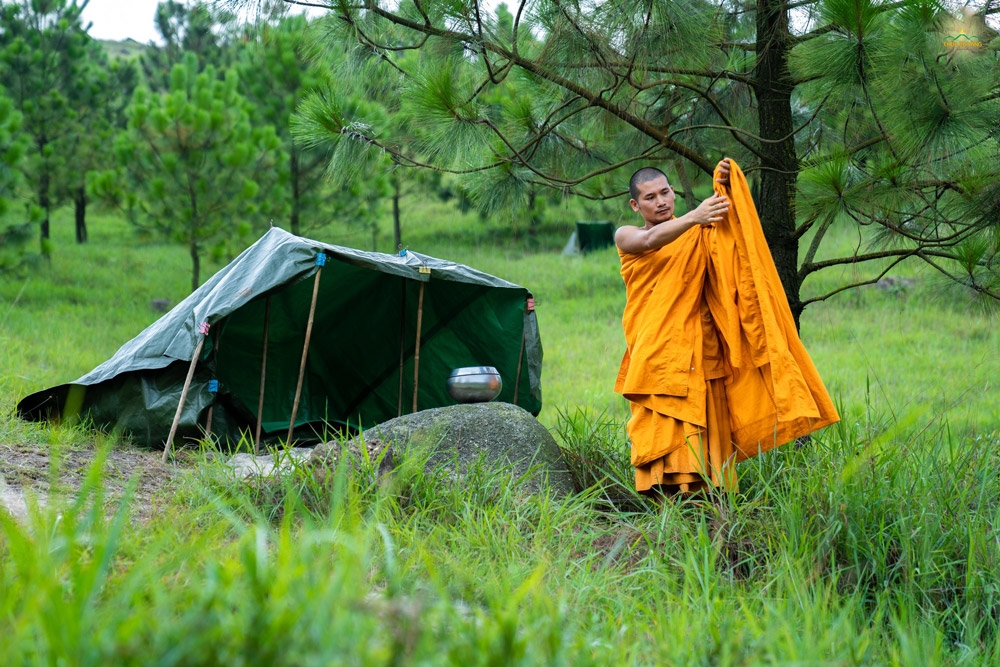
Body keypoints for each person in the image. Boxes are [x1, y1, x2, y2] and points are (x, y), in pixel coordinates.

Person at [614, 159, 839, 497]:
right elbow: (649, 242)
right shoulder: (627, 235)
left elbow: (731, 246)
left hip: (700, 345)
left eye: (664, 193)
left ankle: (711, 501)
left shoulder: (697, 232)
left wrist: (728, 186)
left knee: (706, 422)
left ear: (673, 192)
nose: (660, 202)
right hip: (655, 350)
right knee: (662, 426)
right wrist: (695, 216)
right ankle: (665, 505)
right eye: (650, 197)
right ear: (635, 205)